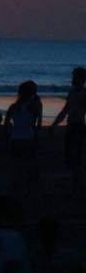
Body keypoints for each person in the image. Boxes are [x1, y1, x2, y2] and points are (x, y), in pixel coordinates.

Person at [50, 67, 86, 197]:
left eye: (75, 78)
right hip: (71, 126)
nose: (73, 80)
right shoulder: (71, 93)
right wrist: (54, 124)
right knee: (71, 157)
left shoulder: (84, 93)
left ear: (82, 79)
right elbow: (65, 110)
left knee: (78, 157)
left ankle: (79, 186)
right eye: (73, 77)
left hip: (79, 126)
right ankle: (76, 185)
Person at [4, 81, 42, 199]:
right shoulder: (36, 106)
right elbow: (38, 125)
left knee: (16, 167)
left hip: (15, 138)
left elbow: (6, 124)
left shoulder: (13, 106)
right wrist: (36, 136)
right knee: (30, 166)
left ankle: (16, 192)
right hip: (29, 138)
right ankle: (29, 192)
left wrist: (12, 132)